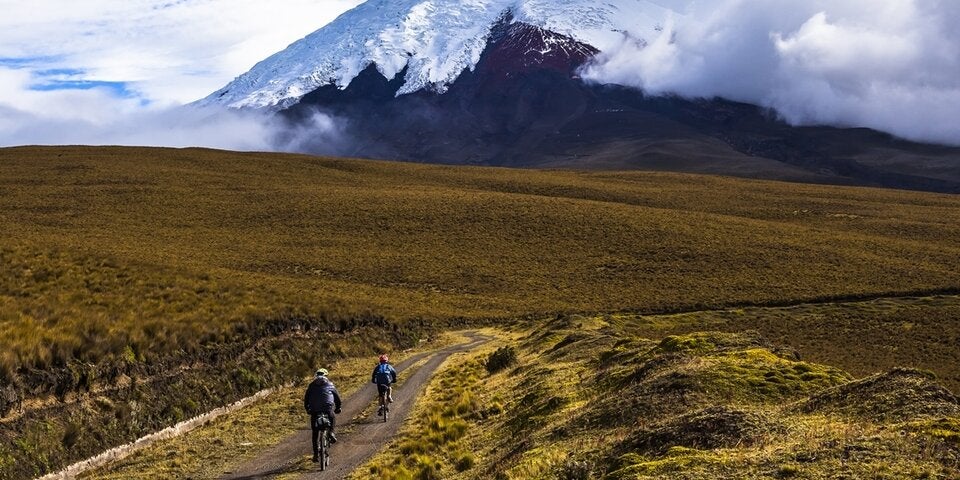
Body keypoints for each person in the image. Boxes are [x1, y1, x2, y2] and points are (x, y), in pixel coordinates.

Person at [304, 368, 342, 462]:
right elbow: (337, 398)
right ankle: (332, 432)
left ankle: (316, 455)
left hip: (315, 410)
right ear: (326, 376)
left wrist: (308, 409)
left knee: (315, 433)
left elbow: (306, 399)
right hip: (327, 408)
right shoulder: (330, 384)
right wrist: (338, 408)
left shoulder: (311, 385)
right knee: (332, 416)